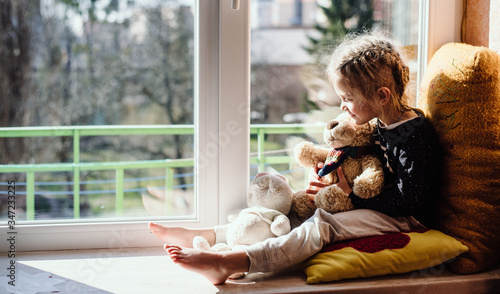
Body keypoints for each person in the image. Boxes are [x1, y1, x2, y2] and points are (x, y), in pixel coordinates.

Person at [148, 32, 443, 285]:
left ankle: (233, 262)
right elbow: (367, 160)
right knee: (295, 208)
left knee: (322, 224)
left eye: (348, 98)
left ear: (382, 95)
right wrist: (331, 179)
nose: (342, 105)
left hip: (405, 219)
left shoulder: (414, 135)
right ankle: (213, 236)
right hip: (376, 203)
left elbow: (409, 200)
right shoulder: (380, 122)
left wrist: (350, 196)